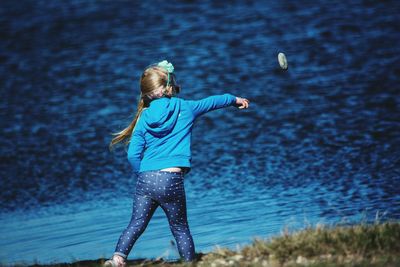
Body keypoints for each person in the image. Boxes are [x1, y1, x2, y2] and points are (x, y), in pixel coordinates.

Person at [104, 60, 249, 267]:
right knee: (180, 227)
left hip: (146, 179)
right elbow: (212, 102)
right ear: (169, 87)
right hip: (171, 179)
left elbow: (133, 155)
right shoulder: (185, 107)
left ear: (146, 93)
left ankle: (117, 259)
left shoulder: (144, 117)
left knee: (136, 223)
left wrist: (142, 173)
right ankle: (189, 263)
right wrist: (234, 99)